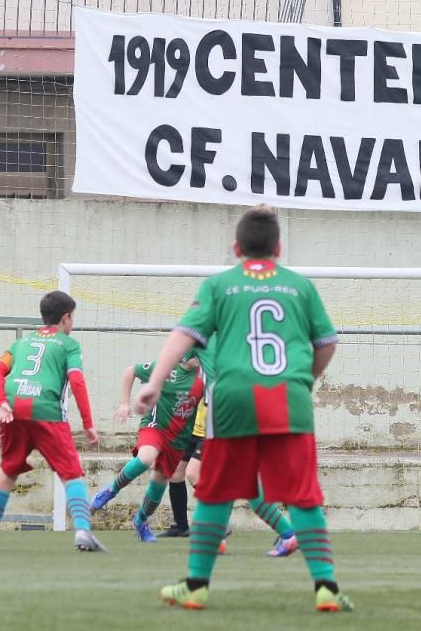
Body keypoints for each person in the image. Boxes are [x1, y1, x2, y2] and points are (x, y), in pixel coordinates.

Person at [134, 205, 352, 612]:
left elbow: (184, 334)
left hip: (232, 399)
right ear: (279, 248)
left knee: (215, 494)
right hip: (290, 400)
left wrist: (155, 381)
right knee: (303, 497)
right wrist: (308, 379)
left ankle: (197, 586)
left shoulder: (219, 286)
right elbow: (327, 343)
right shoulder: (299, 287)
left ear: (236, 247)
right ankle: (326, 588)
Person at [0, 290, 105, 552]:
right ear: (66, 318)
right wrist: (88, 423)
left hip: (12, 409)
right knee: (72, 472)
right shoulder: (69, 345)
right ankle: (82, 531)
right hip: (46, 411)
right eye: (73, 317)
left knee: (8, 469)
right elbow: (77, 381)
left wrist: (0, 402)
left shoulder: (22, 343)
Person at [161, 344, 298, 557]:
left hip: (227, 416)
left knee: (214, 478)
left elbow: (179, 356)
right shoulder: (235, 336)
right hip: (236, 414)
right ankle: (220, 537)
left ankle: (286, 533)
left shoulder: (203, 337)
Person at [90, 353, 203, 542]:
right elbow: (130, 371)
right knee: (146, 457)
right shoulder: (165, 367)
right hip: (154, 426)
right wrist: (125, 403)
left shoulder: (204, 377)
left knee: (159, 482)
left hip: (179, 439)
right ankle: (110, 491)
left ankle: (141, 520)